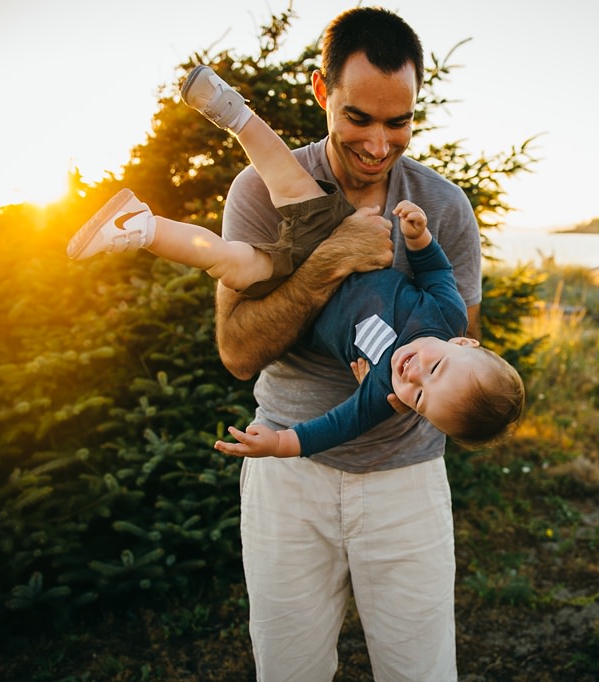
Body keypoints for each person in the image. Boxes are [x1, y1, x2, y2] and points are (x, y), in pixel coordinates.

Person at [191, 8, 478, 681]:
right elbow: (236, 351)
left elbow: (465, 348)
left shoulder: (443, 207)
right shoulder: (263, 190)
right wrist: (330, 263)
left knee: (422, 672)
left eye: (399, 122)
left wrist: (406, 375)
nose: (380, 145)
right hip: (290, 480)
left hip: (406, 479)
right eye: (359, 119)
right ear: (322, 92)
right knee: (289, 671)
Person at [68, 65, 524, 458]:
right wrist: (419, 237)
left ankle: (139, 228)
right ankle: (232, 110)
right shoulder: (446, 316)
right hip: (331, 233)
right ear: (462, 344)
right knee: (289, 182)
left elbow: (334, 427)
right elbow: (437, 272)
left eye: (421, 398)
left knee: (229, 262)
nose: (414, 374)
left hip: (295, 281)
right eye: (436, 368)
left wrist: (278, 443)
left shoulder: (385, 391)